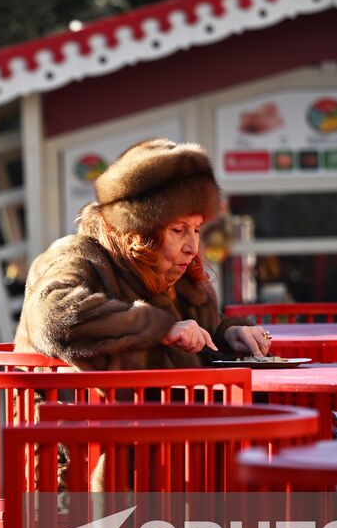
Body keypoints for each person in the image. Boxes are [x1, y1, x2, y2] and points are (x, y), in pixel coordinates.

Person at [14, 138, 271, 369]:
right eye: (178, 230)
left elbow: (198, 338)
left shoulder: (177, 276)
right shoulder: (75, 256)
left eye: (196, 229)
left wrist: (228, 334)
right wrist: (159, 328)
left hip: (164, 406)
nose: (193, 247)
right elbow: (50, 317)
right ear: (138, 231)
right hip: (71, 408)